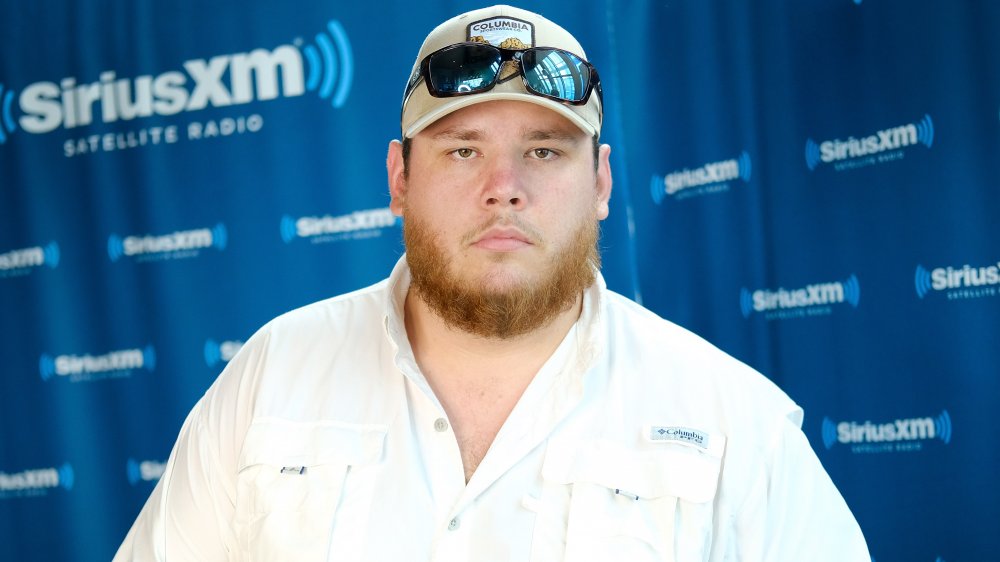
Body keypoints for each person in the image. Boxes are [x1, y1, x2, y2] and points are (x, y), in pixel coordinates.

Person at [114, 5, 870, 561]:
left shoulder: (733, 422)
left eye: (544, 152)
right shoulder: (274, 374)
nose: (504, 187)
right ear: (399, 177)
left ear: (601, 184)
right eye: (463, 151)